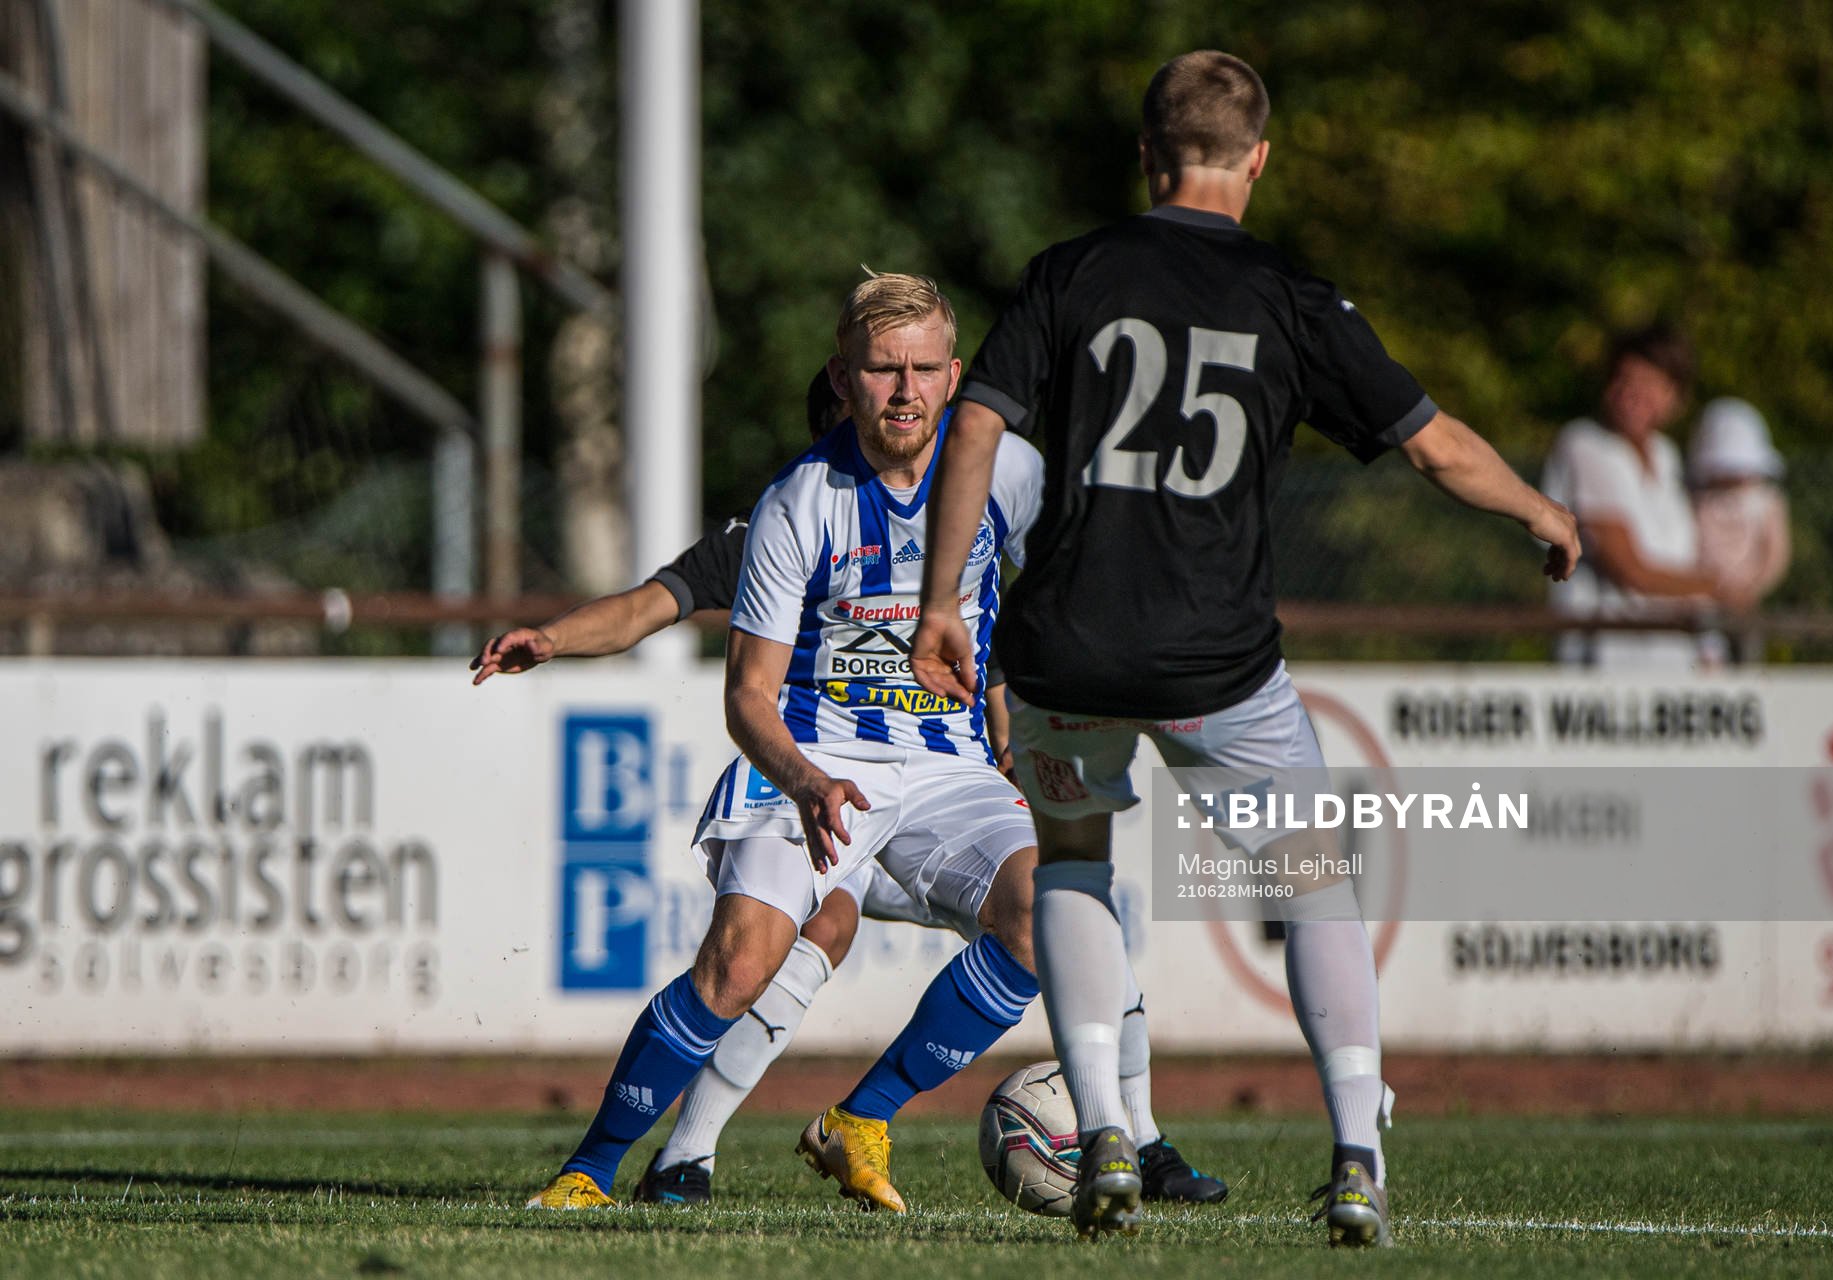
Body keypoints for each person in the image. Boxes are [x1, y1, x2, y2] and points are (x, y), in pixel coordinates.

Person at [908, 51, 1579, 1245]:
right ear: (1260, 156)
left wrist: (939, 600)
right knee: (1314, 881)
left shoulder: (1071, 272)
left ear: (1146, 154)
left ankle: (1106, 1126)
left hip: (1065, 646)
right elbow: (1433, 447)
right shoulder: (1290, 297)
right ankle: (1358, 1151)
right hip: (1217, 661)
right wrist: (1539, 509)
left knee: (1073, 860)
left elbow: (975, 423)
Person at [508, 272, 1223, 1214]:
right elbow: (735, 684)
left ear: (954, 376)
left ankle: (887, 1119)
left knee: (1060, 909)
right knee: (745, 958)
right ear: (844, 380)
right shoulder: (794, 507)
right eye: (883, 370)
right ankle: (597, 1169)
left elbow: (1057, 595)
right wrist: (802, 778)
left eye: (925, 370)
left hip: (945, 774)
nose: (905, 390)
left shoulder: (1004, 472)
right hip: (815, 762)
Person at [1540, 324, 1731, 668]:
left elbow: (1677, 558)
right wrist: (1717, 587)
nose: (1632, 394)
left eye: (1650, 383)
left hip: (1674, 661)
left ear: (1675, 395)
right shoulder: (1586, 445)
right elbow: (1630, 569)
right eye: (1624, 379)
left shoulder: (1666, 455)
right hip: (1607, 662)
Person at [1688, 396, 1789, 665]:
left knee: (1749, 653)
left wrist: (1752, 586)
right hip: (1704, 596)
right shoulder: (1698, 501)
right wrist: (1708, 585)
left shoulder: (1767, 502)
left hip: (1748, 598)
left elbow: (1775, 553)